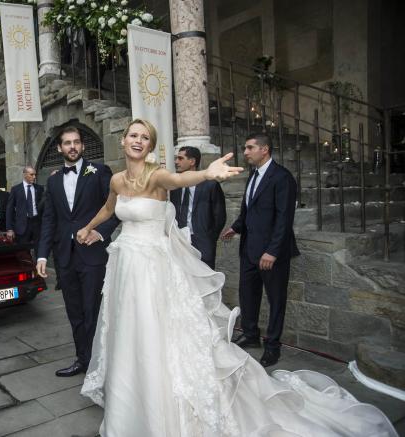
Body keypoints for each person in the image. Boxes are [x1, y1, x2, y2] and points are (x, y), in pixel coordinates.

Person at [77, 119, 396, 437]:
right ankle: (131, 407)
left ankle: (162, 409)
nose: (138, 140)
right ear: (124, 140)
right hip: (126, 267)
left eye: (145, 137)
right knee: (127, 330)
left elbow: (179, 178)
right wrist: (89, 227)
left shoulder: (157, 175)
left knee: (154, 332)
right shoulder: (117, 180)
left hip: (153, 271)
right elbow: (109, 208)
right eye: (133, 135)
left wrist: (207, 173)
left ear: (150, 145)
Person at [36, 126, 118, 377]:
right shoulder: (52, 181)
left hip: (92, 255)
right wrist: (42, 254)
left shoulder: (100, 172)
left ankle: (99, 364)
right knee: (75, 313)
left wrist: (100, 232)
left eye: (76, 142)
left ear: (82, 146)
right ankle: (83, 360)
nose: (72, 147)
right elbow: (49, 220)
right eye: (67, 143)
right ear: (59, 148)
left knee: (92, 311)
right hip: (65, 257)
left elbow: (114, 209)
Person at [220, 133, 300, 367]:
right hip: (249, 249)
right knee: (248, 294)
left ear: (264, 150)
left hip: (272, 254)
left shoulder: (282, 177)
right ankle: (251, 334)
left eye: (249, 148)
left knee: (276, 299)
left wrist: (272, 251)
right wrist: (236, 227)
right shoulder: (253, 175)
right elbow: (248, 209)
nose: (245, 152)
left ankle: (273, 346)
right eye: (245, 148)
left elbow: (284, 219)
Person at [170, 146, 226, 269]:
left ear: (192, 161)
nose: (176, 162)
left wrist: (209, 237)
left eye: (180, 158)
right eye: (176, 158)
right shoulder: (174, 185)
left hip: (202, 241)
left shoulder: (210, 185)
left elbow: (219, 215)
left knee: (206, 276)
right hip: (180, 241)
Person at [6, 166, 44, 256]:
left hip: (37, 224)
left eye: (35, 174)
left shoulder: (39, 188)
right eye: (32, 174)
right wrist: (9, 229)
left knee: (40, 250)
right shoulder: (15, 189)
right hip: (22, 226)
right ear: (24, 175)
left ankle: (39, 265)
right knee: (23, 253)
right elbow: (9, 209)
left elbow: (43, 207)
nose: (34, 177)